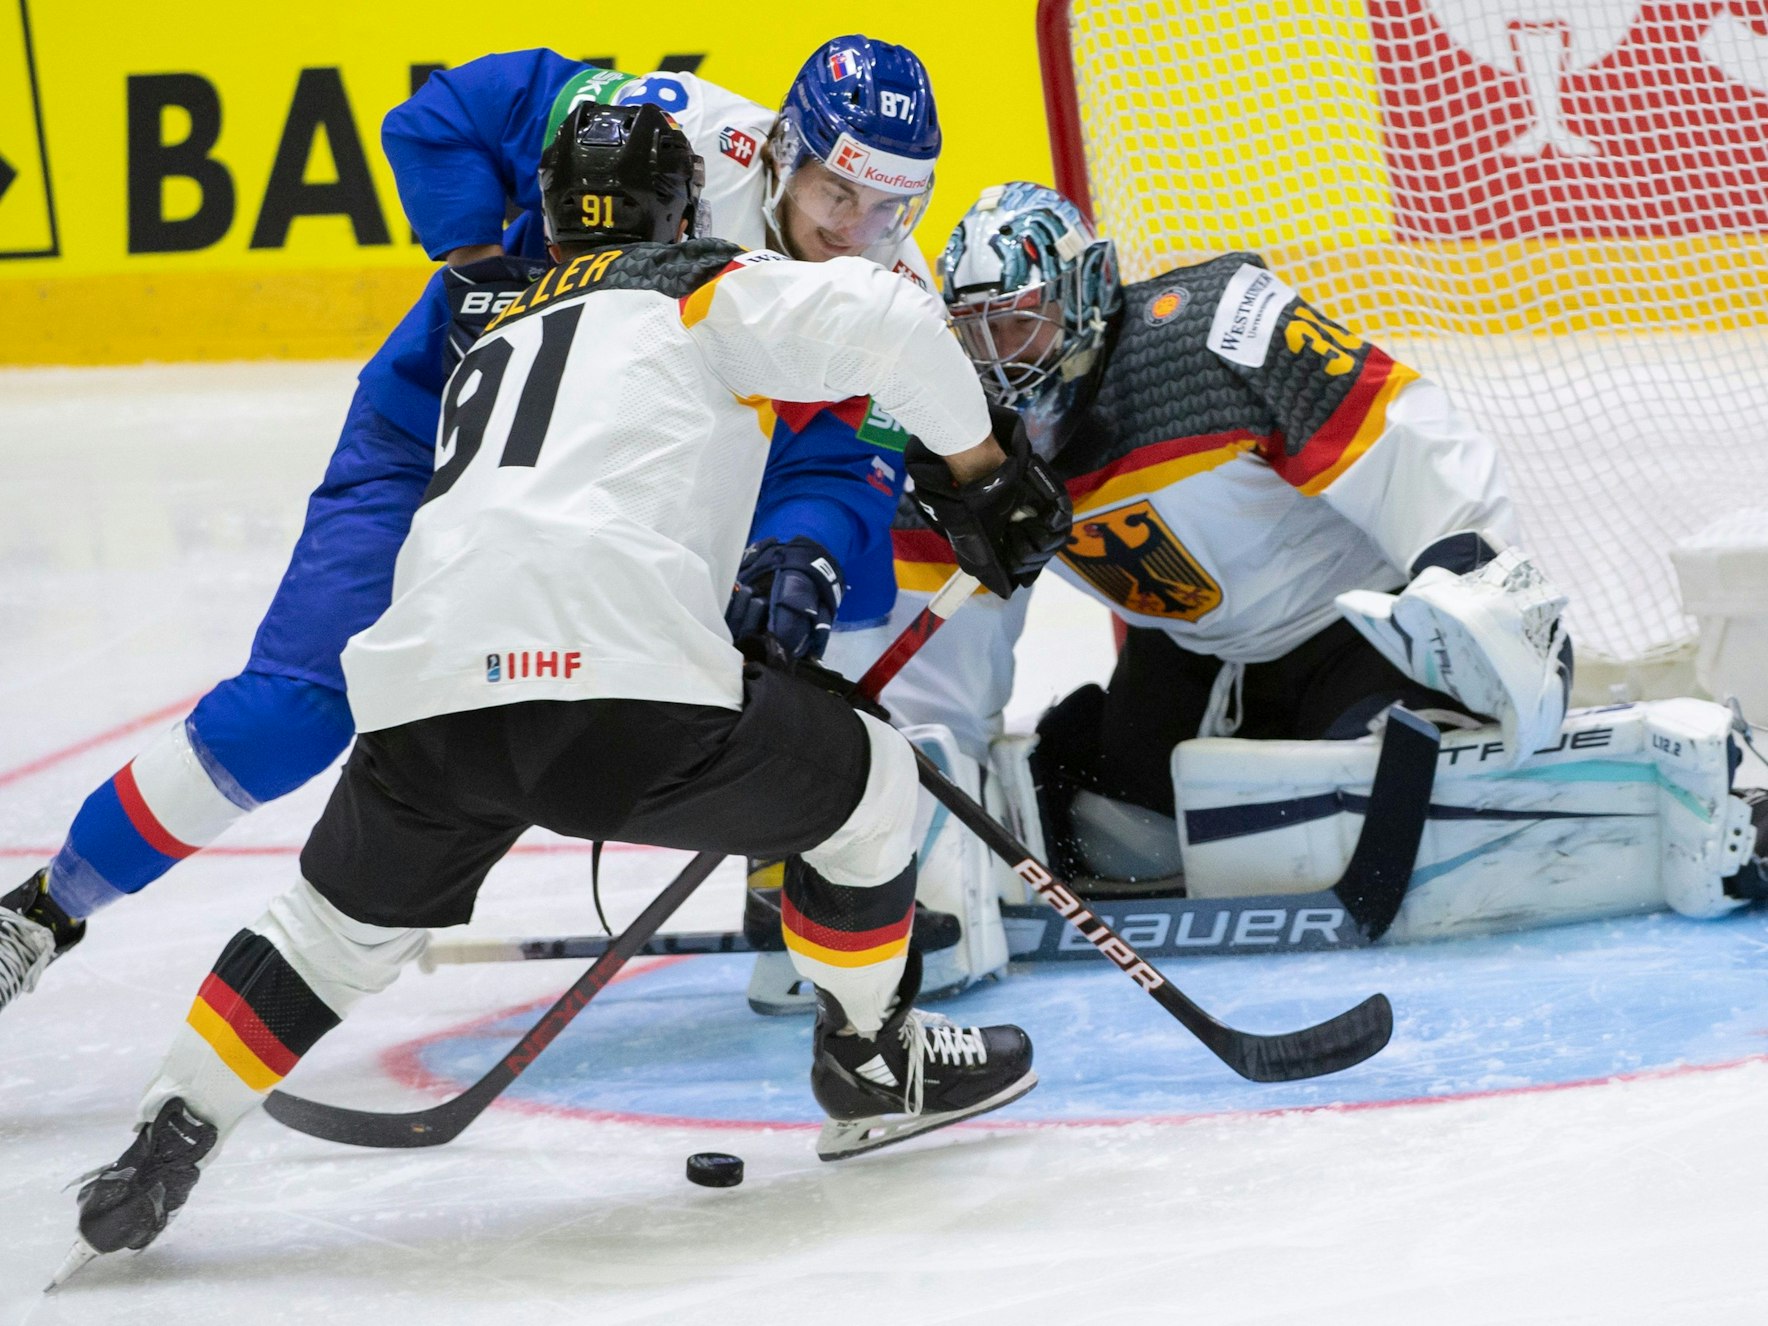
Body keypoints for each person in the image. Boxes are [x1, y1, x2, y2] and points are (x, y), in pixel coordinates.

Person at [61, 104, 1068, 1280]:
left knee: (326, 934)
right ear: (689, 210)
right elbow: (893, 319)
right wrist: (984, 473)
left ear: (543, 218)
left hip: (426, 702)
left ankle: (160, 1140)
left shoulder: (483, 322)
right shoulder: (707, 288)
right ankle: (869, 1060)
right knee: (875, 787)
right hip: (627, 708)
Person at [0, 36, 948, 1016]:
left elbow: (842, 466)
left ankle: (784, 868)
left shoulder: (887, 291)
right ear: (784, 147)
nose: (856, 226)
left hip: (601, 502)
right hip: (434, 431)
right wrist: (475, 265)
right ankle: (36, 914)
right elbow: (440, 116)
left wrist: (804, 551)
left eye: (890, 206)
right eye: (838, 191)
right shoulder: (685, 127)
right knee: (291, 710)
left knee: (783, 623)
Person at [859, 181, 1768, 938]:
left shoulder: (1213, 335)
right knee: (1089, 808)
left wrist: (1475, 584)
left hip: (1354, 628)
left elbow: (1408, 435)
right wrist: (921, 794)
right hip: (1188, 655)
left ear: (1093, 287)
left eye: (1018, 325)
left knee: (1369, 795)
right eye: (972, 334)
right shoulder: (966, 427)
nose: (996, 362)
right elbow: (954, 618)